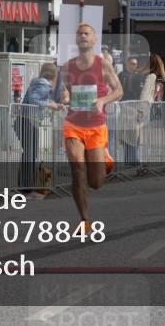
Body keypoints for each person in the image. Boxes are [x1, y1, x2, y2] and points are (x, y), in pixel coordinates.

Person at [59, 22, 123, 233]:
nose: (82, 36)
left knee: (96, 182)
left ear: (94, 40)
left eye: (87, 33)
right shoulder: (67, 66)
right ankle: (85, 221)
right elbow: (67, 91)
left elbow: (118, 91)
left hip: (96, 126)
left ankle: (104, 156)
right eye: (79, 33)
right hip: (74, 124)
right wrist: (66, 97)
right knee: (77, 169)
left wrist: (103, 101)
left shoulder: (103, 64)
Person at [16, 62, 60, 198]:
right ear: (53, 75)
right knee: (30, 154)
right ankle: (27, 188)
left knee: (28, 154)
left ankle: (24, 186)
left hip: (25, 120)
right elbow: (34, 100)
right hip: (29, 121)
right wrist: (49, 104)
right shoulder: (44, 85)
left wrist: (54, 104)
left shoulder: (37, 83)